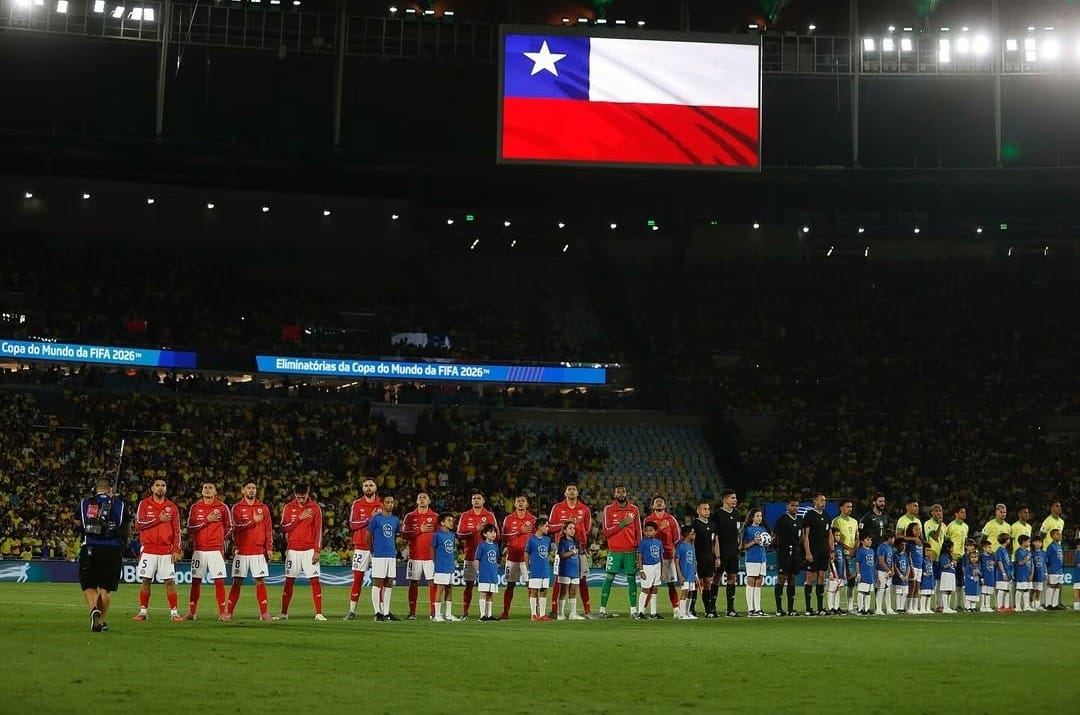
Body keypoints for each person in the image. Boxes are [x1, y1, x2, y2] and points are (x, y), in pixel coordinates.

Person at [79, 478, 126, 633]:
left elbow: (83, 524)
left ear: (96, 488)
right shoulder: (119, 504)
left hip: (90, 547)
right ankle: (101, 621)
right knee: (105, 590)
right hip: (112, 549)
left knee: (89, 586)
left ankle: (94, 610)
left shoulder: (85, 503)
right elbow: (122, 525)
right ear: (109, 489)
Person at [133, 478, 182, 622]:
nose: (160, 488)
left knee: (169, 582)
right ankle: (143, 612)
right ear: (152, 488)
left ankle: (174, 612)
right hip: (148, 549)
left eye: (163, 485)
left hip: (166, 550)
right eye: (157, 485)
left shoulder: (172, 507)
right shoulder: (144, 504)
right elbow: (138, 524)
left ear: (166, 489)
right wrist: (158, 519)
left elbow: (176, 530)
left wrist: (176, 549)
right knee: (146, 580)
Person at [277, 484, 327, 621]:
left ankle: (318, 613)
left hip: (309, 549)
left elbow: (318, 531)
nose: (301, 500)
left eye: (303, 497)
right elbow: (283, 528)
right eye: (298, 497)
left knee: (315, 580)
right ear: (294, 494)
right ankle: (283, 613)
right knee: (289, 581)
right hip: (293, 550)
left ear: (308, 493)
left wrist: (317, 550)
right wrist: (299, 518)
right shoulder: (288, 507)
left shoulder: (315, 508)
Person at [184, 482, 231, 621]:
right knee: (196, 581)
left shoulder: (222, 507)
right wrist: (207, 520)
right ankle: (192, 612)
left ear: (215, 492)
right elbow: (190, 527)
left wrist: (221, 539)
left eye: (211, 488)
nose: (208, 489)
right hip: (199, 550)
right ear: (202, 491)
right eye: (205, 487)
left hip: (216, 550)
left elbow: (230, 527)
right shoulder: (195, 507)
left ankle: (222, 612)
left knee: (219, 581)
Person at [227, 481, 274, 621]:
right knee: (237, 581)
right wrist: (252, 522)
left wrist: (269, 548)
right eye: (249, 488)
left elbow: (268, 529)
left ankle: (264, 613)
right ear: (243, 490)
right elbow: (235, 526)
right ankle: (229, 612)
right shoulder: (237, 507)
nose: (252, 490)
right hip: (241, 551)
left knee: (260, 581)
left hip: (258, 551)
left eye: (254, 488)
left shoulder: (263, 508)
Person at [547, 484, 593, 618]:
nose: (572, 491)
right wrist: (564, 525)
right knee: (558, 580)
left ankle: (587, 610)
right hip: (561, 546)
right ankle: (555, 611)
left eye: (574, 489)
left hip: (579, 547)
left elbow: (588, 529)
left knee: (581, 579)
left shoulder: (584, 509)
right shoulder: (557, 508)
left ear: (578, 493)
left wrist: (579, 535)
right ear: (565, 493)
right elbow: (549, 527)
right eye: (569, 489)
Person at [598, 484, 642, 618]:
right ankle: (602, 610)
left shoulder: (634, 509)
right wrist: (623, 523)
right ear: (614, 494)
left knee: (631, 579)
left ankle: (633, 610)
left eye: (623, 491)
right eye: (618, 492)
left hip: (631, 551)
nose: (621, 494)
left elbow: (638, 532)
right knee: (609, 578)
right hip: (615, 551)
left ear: (626, 493)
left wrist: (639, 552)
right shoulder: (608, 509)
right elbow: (606, 532)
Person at [457, 491, 498, 620]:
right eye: (474, 498)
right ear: (471, 501)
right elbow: (459, 534)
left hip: (487, 560)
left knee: (489, 588)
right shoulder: (465, 515)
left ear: (483, 501)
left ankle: (488, 613)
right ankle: (465, 612)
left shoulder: (489, 516)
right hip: (470, 556)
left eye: (478, 498)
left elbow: (497, 534)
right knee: (469, 584)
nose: (476, 500)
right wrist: (475, 529)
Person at [345, 479, 381, 620]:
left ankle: (380, 612)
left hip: (378, 548)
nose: (368, 487)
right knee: (357, 579)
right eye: (365, 485)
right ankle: (352, 611)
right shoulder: (357, 504)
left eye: (371, 485)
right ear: (362, 488)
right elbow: (352, 524)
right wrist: (369, 518)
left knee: (379, 580)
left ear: (375, 487)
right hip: (360, 546)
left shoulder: (382, 504)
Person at [401, 492, 439, 620]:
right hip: (414, 556)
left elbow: (440, 536)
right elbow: (404, 534)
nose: (422, 499)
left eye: (424, 498)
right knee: (413, 583)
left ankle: (433, 612)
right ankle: (412, 613)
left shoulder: (435, 517)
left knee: (432, 583)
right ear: (416, 501)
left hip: (431, 556)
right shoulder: (410, 516)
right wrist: (420, 530)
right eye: (419, 498)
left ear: (429, 501)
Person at [643, 495, 682, 617]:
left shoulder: (671, 519)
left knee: (671, 584)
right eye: (656, 502)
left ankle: (676, 609)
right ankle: (643, 610)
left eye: (661, 501)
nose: (659, 503)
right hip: (652, 558)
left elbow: (677, 538)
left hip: (668, 556)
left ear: (665, 505)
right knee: (650, 586)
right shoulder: (648, 519)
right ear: (653, 505)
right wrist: (660, 529)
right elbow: (647, 537)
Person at [500, 495, 536, 620]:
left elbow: (537, 537)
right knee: (510, 585)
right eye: (518, 501)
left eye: (523, 501)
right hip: (512, 557)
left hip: (527, 558)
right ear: (514, 504)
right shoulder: (508, 519)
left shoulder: (533, 519)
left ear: (527, 504)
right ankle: (505, 612)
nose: (520, 503)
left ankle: (534, 613)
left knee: (530, 585)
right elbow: (503, 536)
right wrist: (519, 532)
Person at [368, 494, 401, 621]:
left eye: (392, 502)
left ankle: (386, 612)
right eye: (387, 502)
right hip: (379, 555)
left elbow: (397, 534)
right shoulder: (376, 519)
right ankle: (377, 612)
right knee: (377, 583)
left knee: (389, 583)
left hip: (391, 555)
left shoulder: (395, 520)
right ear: (382, 504)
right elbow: (368, 536)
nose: (390, 504)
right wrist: (372, 551)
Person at [802, 491, 831, 616]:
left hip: (824, 551)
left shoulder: (826, 516)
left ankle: (820, 607)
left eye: (824, 500)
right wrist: (807, 552)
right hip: (813, 551)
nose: (823, 503)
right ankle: (808, 608)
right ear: (815, 501)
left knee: (821, 577)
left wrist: (832, 550)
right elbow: (806, 535)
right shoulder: (809, 515)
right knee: (810, 577)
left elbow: (829, 534)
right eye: (821, 500)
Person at [714, 489, 742, 618]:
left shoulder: (736, 514)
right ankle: (711, 607)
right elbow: (715, 536)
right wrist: (717, 554)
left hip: (733, 551)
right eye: (733, 498)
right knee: (717, 578)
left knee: (732, 578)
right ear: (725, 500)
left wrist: (739, 543)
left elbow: (737, 532)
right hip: (722, 551)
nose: (735, 500)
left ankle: (730, 609)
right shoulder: (718, 514)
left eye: (735, 498)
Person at [772, 499, 802, 616]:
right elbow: (774, 535)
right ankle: (779, 609)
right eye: (793, 505)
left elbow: (801, 536)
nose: (795, 508)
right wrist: (778, 547)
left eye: (797, 506)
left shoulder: (799, 520)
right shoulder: (782, 519)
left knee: (793, 578)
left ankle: (790, 609)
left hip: (796, 551)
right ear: (787, 506)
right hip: (784, 551)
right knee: (782, 578)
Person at [690, 501, 720, 618]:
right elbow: (691, 542)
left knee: (708, 583)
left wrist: (717, 557)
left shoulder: (712, 525)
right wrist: (693, 558)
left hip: (709, 558)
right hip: (698, 558)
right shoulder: (695, 525)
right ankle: (691, 609)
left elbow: (715, 542)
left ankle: (708, 610)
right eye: (704, 509)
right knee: (697, 584)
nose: (707, 511)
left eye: (708, 509)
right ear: (698, 511)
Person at [831, 499, 859, 613]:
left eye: (851, 507)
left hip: (852, 554)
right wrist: (848, 549)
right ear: (841, 508)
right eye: (847, 507)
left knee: (852, 580)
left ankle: (850, 606)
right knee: (838, 581)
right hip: (841, 554)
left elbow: (857, 537)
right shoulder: (836, 521)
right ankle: (833, 605)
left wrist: (855, 549)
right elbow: (835, 538)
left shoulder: (855, 521)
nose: (850, 509)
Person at [431, 513, 459, 622]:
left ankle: (448, 614)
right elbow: (432, 549)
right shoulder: (437, 535)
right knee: (440, 588)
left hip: (450, 565)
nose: (451, 522)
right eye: (449, 520)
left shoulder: (452, 535)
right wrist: (435, 562)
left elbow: (452, 550)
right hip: (441, 566)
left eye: (452, 520)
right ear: (442, 523)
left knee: (449, 588)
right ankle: (437, 615)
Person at [555, 521, 585, 620]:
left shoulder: (576, 542)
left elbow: (580, 556)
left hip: (575, 570)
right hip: (564, 570)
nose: (573, 530)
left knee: (573, 592)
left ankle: (573, 613)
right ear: (564, 530)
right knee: (563, 592)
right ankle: (560, 614)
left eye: (573, 528)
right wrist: (572, 552)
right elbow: (561, 555)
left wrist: (581, 571)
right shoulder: (562, 542)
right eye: (570, 528)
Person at [741, 508, 768, 617]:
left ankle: (757, 608)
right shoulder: (747, 530)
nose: (759, 518)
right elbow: (743, 547)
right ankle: (750, 609)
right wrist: (754, 542)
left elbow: (765, 544)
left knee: (759, 582)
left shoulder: (763, 529)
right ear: (752, 517)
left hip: (762, 557)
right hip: (752, 558)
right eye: (757, 516)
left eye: (760, 516)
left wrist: (768, 541)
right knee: (751, 581)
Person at [525, 517, 553, 621]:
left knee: (544, 591)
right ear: (540, 527)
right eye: (546, 526)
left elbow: (547, 553)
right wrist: (528, 569)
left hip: (545, 569)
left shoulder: (547, 539)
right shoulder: (531, 540)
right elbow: (526, 554)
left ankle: (542, 614)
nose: (548, 528)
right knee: (534, 591)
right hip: (535, 570)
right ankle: (533, 614)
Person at [1037, 501, 1064, 608]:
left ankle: (1055, 603)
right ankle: (1045, 603)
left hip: (1057, 551)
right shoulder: (1047, 521)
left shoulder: (1061, 522)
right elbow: (1041, 536)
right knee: (1048, 581)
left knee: (1057, 582)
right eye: (1057, 506)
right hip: (1048, 551)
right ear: (1051, 508)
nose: (1059, 508)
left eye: (1060, 506)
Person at [635, 522, 663, 619]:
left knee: (655, 589)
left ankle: (653, 612)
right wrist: (641, 570)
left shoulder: (659, 542)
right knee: (645, 589)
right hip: (647, 567)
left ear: (655, 531)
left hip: (657, 566)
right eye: (646, 530)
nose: (648, 532)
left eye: (651, 530)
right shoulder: (643, 542)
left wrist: (662, 571)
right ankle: (640, 612)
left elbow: (660, 556)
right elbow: (639, 556)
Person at [943, 506, 969, 611]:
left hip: (962, 557)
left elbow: (965, 541)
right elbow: (947, 542)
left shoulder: (966, 526)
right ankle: (949, 605)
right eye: (962, 512)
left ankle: (959, 604)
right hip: (953, 556)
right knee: (951, 581)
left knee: (961, 582)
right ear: (956, 514)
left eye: (965, 512)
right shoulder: (951, 526)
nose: (964, 514)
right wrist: (950, 554)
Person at [475, 524, 501, 621]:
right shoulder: (481, 545)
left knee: (490, 594)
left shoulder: (495, 546)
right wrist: (477, 571)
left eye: (494, 532)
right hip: (484, 573)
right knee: (483, 593)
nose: (493, 534)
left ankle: (489, 614)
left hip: (493, 574)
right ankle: (482, 615)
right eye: (491, 532)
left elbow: (497, 559)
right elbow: (477, 559)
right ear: (485, 534)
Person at [674, 525, 698, 620]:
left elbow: (694, 561)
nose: (694, 535)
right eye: (692, 533)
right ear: (687, 534)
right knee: (685, 592)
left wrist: (695, 574)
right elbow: (676, 560)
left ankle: (688, 613)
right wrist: (680, 575)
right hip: (684, 573)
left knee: (691, 593)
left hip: (691, 574)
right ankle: (682, 613)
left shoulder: (692, 546)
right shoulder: (680, 546)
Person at [874, 532, 897, 615]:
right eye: (893, 538)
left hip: (888, 571)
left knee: (887, 590)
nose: (894, 540)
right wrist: (888, 570)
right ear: (890, 538)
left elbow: (891, 560)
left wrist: (892, 570)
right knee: (880, 589)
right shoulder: (881, 547)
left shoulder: (890, 548)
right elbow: (881, 561)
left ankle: (889, 608)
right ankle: (878, 609)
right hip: (880, 571)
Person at [904, 522, 925, 614]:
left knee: (917, 587)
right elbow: (908, 556)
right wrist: (911, 567)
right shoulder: (909, 543)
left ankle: (915, 607)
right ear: (911, 531)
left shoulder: (921, 542)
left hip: (920, 567)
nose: (918, 531)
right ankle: (908, 607)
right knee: (911, 587)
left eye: (919, 529)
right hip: (913, 567)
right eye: (916, 529)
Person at [855, 533, 876, 615]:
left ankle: (866, 609)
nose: (870, 541)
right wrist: (858, 574)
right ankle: (860, 608)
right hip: (863, 574)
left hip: (870, 575)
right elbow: (857, 563)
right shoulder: (860, 551)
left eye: (870, 539)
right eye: (867, 540)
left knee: (868, 592)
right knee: (861, 592)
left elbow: (872, 563)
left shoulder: (872, 550)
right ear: (862, 541)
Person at [827, 526, 845, 615]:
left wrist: (844, 572)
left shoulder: (841, 546)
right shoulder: (830, 547)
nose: (838, 537)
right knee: (831, 590)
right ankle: (830, 608)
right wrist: (830, 572)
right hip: (833, 572)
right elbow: (828, 561)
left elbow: (843, 560)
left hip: (840, 572)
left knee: (838, 590)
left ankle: (836, 607)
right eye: (836, 535)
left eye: (839, 535)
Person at [1046, 529, 1065, 610]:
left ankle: (1055, 604)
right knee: (1052, 586)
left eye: (1060, 534)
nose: (1059, 535)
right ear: (1052, 536)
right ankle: (1048, 604)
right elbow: (1047, 559)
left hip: (1060, 570)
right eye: (1057, 534)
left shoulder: (1059, 546)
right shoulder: (1051, 546)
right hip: (1053, 570)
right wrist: (1048, 569)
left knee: (1058, 586)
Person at [994, 532, 1013, 613]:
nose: (1009, 540)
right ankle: (999, 606)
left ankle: (1006, 606)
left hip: (1007, 573)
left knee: (1006, 590)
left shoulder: (1005, 550)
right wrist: (1003, 573)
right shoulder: (1000, 550)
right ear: (1006, 540)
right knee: (1001, 590)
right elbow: (999, 562)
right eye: (1008, 538)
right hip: (1001, 574)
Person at [1013, 534, 1033, 612]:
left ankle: (1026, 606)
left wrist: (1031, 574)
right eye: (1028, 542)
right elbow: (1020, 563)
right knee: (1020, 589)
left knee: (1027, 589)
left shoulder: (1028, 551)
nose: (1029, 543)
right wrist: (1027, 557)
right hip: (1021, 573)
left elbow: (1031, 564)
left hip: (1028, 573)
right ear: (1023, 542)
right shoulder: (1019, 552)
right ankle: (1017, 606)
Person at [937, 540, 957, 614]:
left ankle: (948, 607)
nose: (953, 549)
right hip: (946, 574)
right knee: (945, 590)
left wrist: (954, 563)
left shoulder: (949, 556)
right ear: (947, 548)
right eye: (952, 547)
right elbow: (944, 566)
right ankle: (945, 607)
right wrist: (951, 563)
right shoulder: (943, 556)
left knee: (949, 591)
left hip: (951, 573)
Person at [978, 539, 997, 612]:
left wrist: (994, 563)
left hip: (991, 576)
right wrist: (981, 577)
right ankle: (982, 606)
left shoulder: (992, 556)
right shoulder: (981, 557)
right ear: (984, 548)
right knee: (984, 592)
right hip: (985, 576)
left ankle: (988, 606)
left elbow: (995, 563)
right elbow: (980, 567)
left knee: (989, 592)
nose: (990, 549)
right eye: (989, 547)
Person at [892, 537, 909, 613]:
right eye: (902, 545)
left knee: (905, 592)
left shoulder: (905, 555)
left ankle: (902, 607)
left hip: (905, 578)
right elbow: (895, 566)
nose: (904, 547)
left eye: (905, 545)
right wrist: (900, 575)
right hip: (898, 578)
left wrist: (907, 576)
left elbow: (908, 566)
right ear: (897, 546)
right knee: (898, 592)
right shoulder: (895, 555)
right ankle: (898, 607)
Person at [1030, 535, 1046, 612]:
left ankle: (1037, 605)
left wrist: (1046, 573)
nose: (1038, 543)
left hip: (1041, 575)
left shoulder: (1043, 553)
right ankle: (1030, 604)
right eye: (1036, 542)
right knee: (1032, 590)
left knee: (1039, 591)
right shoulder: (1031, 553)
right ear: (1032, 543)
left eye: (1040, 542)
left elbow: (1044, 563)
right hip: (1034, 575)